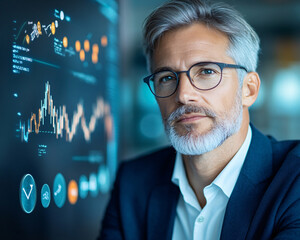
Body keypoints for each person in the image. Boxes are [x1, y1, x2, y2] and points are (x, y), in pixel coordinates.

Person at [99, 0, 300, 239]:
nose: (183, 94)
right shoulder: (132, 183)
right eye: (167, 77)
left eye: (206, 72)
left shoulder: (294, 180)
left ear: (248, 89)